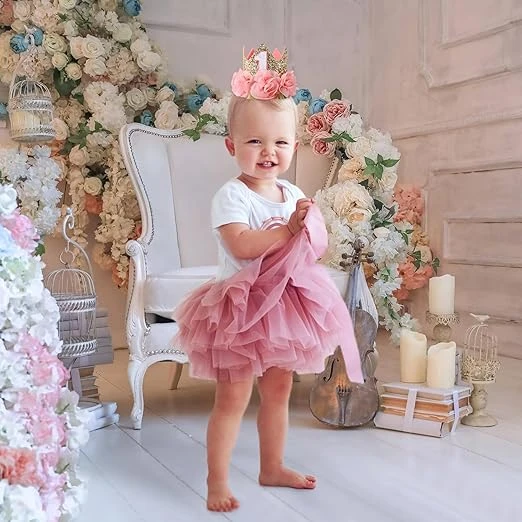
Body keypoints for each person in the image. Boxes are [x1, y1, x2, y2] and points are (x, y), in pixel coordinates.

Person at [172, 45, 363, 512]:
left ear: (294, 148)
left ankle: (272, 466)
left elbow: (311, 248)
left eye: (280, 143)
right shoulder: (231, 196)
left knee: (278, 391)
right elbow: (242, 245)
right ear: (232, 146)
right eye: (255, 141)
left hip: (284, 307)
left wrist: (311, 225)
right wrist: (288, 229)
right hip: (240, 310)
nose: (268, 152)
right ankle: (217, 481)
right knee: (233, 398)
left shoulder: (292, 192)